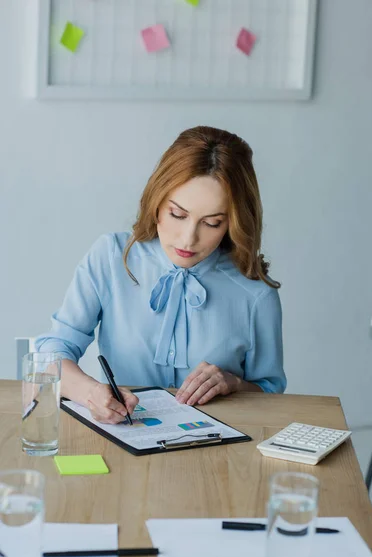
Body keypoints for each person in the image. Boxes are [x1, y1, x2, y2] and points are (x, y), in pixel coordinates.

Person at [36, 126, 286, 424]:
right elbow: (52, 354)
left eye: (212, 223)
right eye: (178, 215)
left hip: (219, 453)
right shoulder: (112, 257)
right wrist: (89, 392)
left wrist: (234, 384)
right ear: (157, 202)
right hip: (126, 438)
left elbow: (271, 394)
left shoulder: (255, 292)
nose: (187, 239)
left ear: (232, 223)